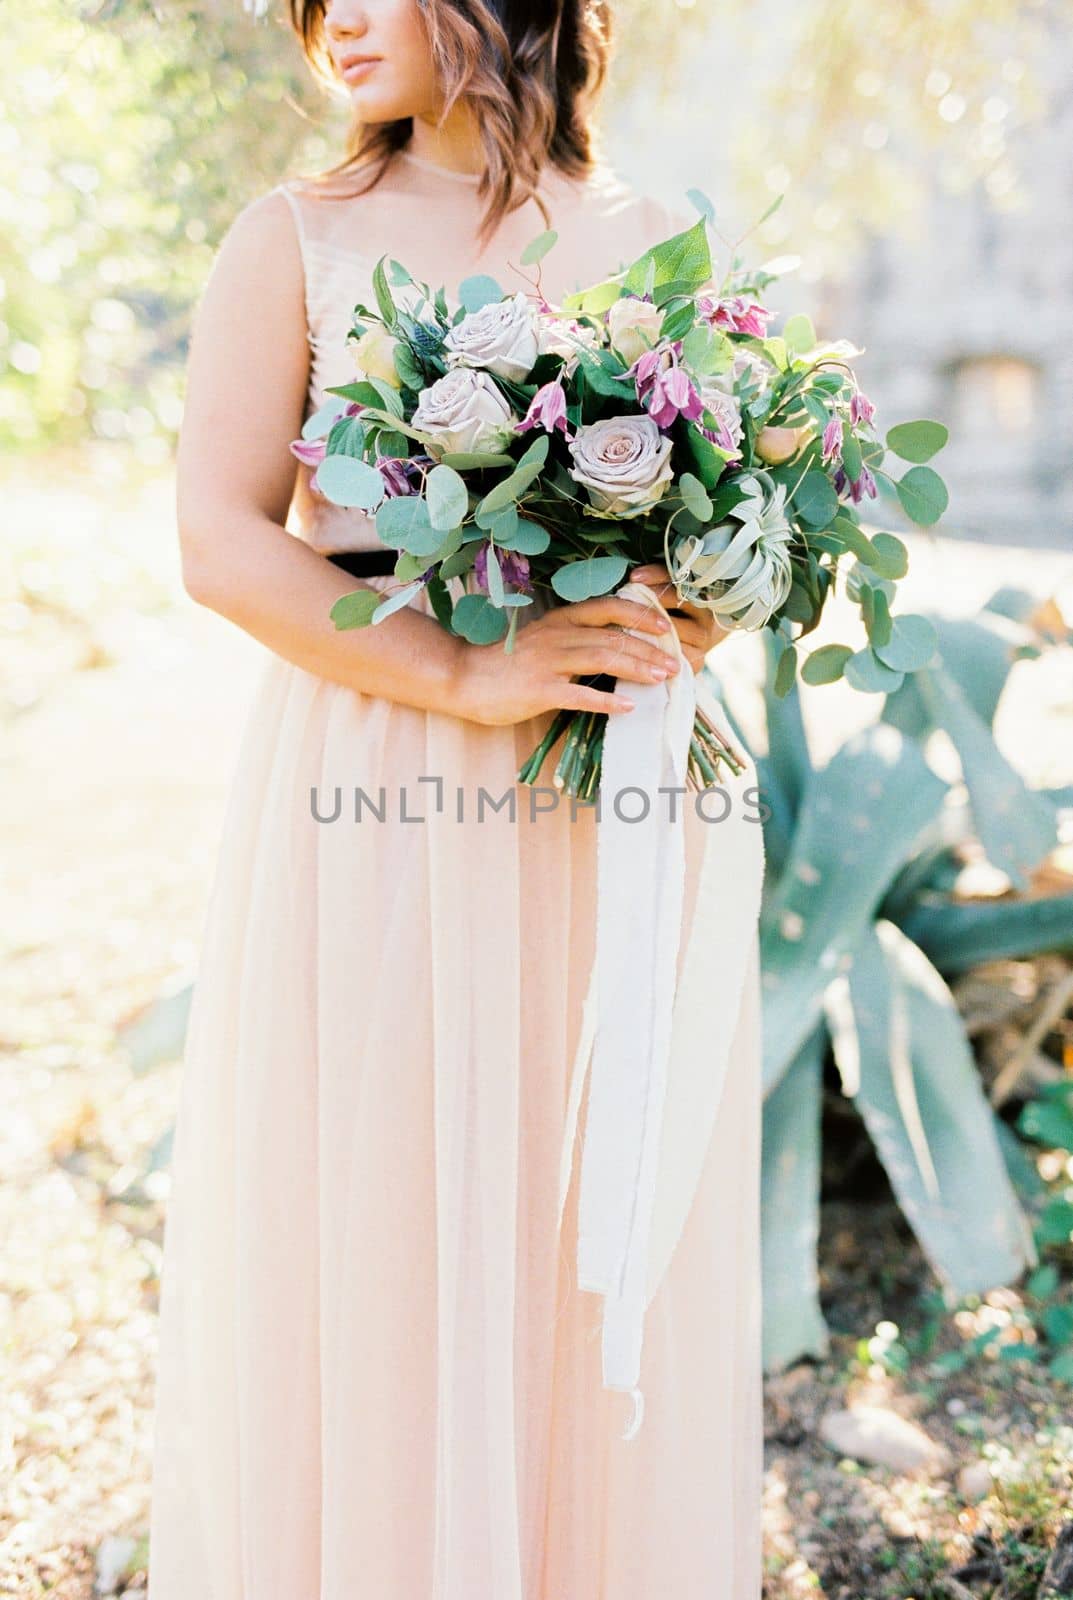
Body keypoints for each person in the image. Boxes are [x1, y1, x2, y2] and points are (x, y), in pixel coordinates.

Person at [147, 1, 764, 1595]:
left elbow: (730, 523)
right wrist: (461, 674)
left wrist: (695, 598)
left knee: (584, 1183)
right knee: (385, 1201)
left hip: (607, 772)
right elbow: (221, 539)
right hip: (379, 750)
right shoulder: (293, 236)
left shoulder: (657, 235)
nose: (333, 20)